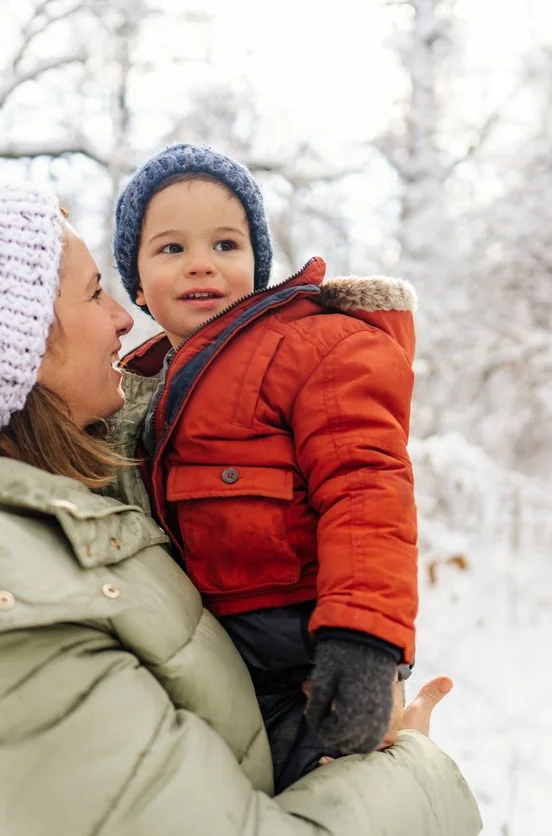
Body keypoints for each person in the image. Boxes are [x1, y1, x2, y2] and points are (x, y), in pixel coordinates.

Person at [0, 180, 482, 835]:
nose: (120, 320)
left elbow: (360, 481)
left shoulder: (85, 506)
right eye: (96, 292)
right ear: (25, 350)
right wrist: (411, 772)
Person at [111, 144, 421, 790]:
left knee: (332, 800)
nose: (202, 264)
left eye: (225, 245)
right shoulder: (136, 394)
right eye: (172, 249)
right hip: (218, 666)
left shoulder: (308, 349)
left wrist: (365, 641)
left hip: (309, 653)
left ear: (257, 263)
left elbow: (365, 489)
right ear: (136, 283)